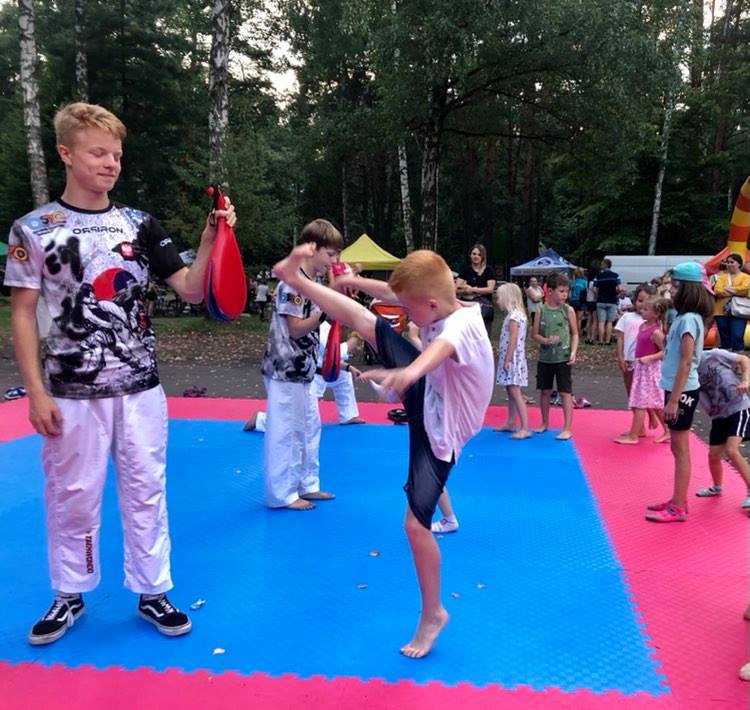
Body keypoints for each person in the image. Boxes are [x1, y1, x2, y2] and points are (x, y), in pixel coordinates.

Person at [3, 102, 236, 645]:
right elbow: (22, 314)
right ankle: (69, 593)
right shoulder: (34, 229)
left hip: (140, 389)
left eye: (117, 155)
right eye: (98, 153)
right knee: (72, 494)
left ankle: (152, 590)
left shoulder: (140, 225)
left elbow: (191, 290)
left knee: (146, 490)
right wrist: (34, 393)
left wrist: (210, 240)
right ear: (66, 153)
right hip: (71, 390)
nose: (111, 163)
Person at [273, 244, 494, 659]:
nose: (404, 314)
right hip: (431, 393)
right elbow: (395, 294)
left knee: (415, 526)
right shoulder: (439, 300)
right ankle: (294, 279)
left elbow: (440, 349)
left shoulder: (461, 326)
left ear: (431, 304)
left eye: (410, 309)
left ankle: (434, 614)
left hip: (442, 429)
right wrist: (353, 281)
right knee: (365, 320)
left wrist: (406, 373)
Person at [260, 219, 341, 511]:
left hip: (303, 370)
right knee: (286, 431)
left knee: (309, 427)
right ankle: (281, 493)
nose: (333, 262)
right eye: (330, 255)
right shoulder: (291, 283)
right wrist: (324, 313)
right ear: (312, 249)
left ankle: (307, 483)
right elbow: (294, 329)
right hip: (285, 370)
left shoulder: (311, 283)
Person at [645, 262, 714, 522]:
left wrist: (674, 400)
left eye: (675, 286)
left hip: (681, 392)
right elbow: (675, 353)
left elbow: (686, 362)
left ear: (688, 289)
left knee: (681, 448)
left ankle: (678, 507)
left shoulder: (688, 320)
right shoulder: (684, 318)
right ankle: (678, 498)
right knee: (676, 447)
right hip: (676, 388)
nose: (671, 291)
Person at [694, 349, 750, 511]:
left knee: (732, 450)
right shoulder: (687, 370)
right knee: (713, 455)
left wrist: (745, 380)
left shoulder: (712, 355)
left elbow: (744, 359)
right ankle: (716, 487)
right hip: (719, 414)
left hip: (739, 407)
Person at [614, 297, 670, 445]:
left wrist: (650, 357)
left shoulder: (656, 332)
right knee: (653, 403)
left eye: (646, 309)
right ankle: (667, 431)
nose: (642, 311)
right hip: (641, 368)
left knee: (640, 402)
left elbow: (666, 352)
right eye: (642, 308)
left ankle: (634, 435)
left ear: (656, 314)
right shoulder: (642, 326)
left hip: (650, 370)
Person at [531, 271, 578, 440]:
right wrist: (545, 340)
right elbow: (534, 334)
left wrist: (573, 352)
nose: (565, 295)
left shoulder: (568, 310)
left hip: (563, 357)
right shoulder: (541, 310)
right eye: (561, 291)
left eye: (567, 291)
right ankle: (544, 422)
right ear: (549, 291)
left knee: (565, 392)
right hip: (545, 358)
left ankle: (567, 427)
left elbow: (575, 333)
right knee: (544, 391)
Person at [493, 282, 530, 439]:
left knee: (515, 390)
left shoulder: (514, 317)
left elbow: (513, 339)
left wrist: (507, 359)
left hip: (513, 358)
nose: (497, 301)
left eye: (499, 298)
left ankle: (525, 427)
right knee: (510, 389)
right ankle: (510, 421)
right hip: (512, 357)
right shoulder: (515, 315)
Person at [310, 320, 364, 425]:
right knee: (308, 418)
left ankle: (348, 415)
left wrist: (348, 367)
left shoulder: (325, 326)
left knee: (344, 376)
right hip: (311, 377)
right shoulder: (314, 326)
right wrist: (357, 335)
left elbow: (331, 358)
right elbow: (337, 352)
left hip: (327, 370)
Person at [455, 243, 496, 336]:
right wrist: (466, 291)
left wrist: (473, 290)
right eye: (474, 254)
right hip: (467, 307)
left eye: (479, 254)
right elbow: (456, 289)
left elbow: (490, 289)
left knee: (483, 334)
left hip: (484, 307)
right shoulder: (465, 270)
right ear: (470, 255)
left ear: (483, 257)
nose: (476, 256)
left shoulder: (488, 270)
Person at [712, 252, 750, 352]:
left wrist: (728, 289)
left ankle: (740, 358)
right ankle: (726, 358)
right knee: (724, 338)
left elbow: (745, 290)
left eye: (732, 262)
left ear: (739, 264)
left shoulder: (746, 277)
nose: (729, 264)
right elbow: (717, 290)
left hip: (739, 311)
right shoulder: (721, 277)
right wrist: (736, 291)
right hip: (721, 311)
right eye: (728, 262)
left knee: (737, 336)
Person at [593, 258, 620, 345]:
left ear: (605, 265)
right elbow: (619, 288)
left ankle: (601, 341)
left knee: (601, 322)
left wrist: (598, 294)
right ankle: (607, 341)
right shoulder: (616, 276)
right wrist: (617, 294)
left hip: (601, 300)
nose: (601, 265)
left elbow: (594, 289)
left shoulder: (598, 276)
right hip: (612, 300)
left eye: (602, 264)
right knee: (609, 322)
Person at [570, 267, 588, 337]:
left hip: (572, 301)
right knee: (579, 319)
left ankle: (572, 333)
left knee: (572, 318)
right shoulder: (584, 282)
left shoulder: (572, 281)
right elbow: (586, 291)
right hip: (581, 301)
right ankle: (578, 333)